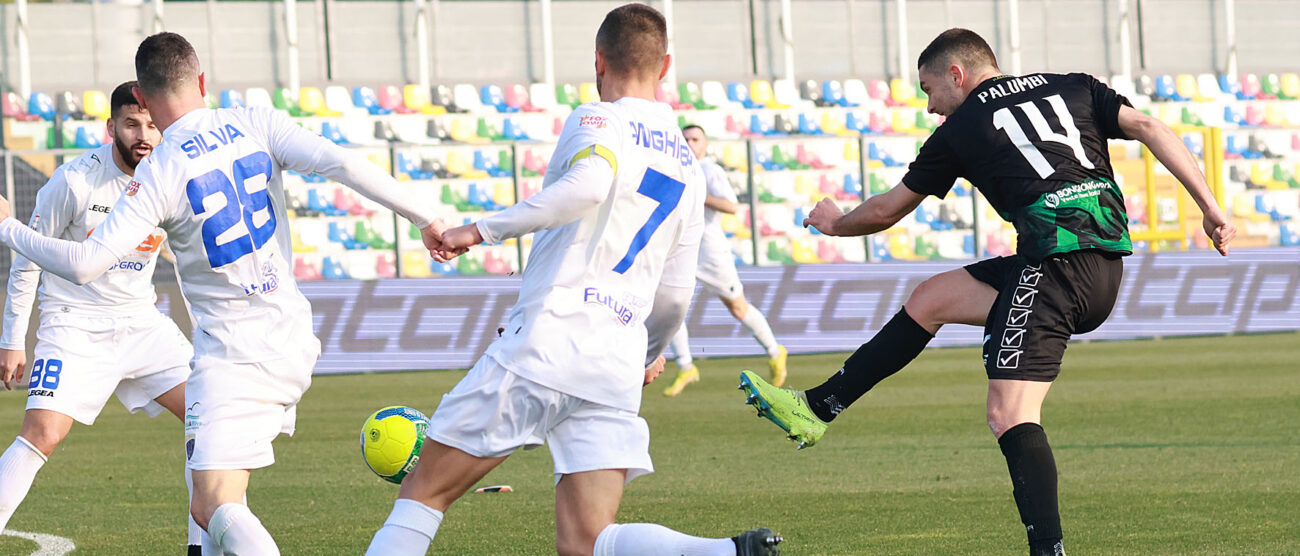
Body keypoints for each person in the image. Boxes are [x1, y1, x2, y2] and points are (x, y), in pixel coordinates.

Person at [737, 28, 1235, 556]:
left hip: (1057, 264)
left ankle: (1049, 550)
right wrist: (1209, 205)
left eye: (929, 90)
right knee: (933, 298)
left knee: (1010, 415)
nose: (930, 108)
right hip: (1098, 263)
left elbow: (887, 210)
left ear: (957, 75)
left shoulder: (963, 127)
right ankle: (818, 407)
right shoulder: (1076, 85)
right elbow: (1150, 125)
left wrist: (835, 223)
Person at [0, 32, 446, 555]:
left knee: (213, 504)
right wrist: (427, 217)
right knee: (210, 487)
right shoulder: (256, 120)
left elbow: (83, 263)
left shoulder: (159, 173)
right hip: (288, 336)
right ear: (203, 81)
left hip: (229, 351)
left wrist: (8, 226)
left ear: (143, 98)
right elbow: (344, 165)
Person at [364, 5, 782, 556]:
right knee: (586, 539)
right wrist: (645, 354)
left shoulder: (599, 117)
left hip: (550, 339)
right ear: (666, 67)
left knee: (423, 493)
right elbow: (676, 296)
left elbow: (587, 187)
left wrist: (476, 231)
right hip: (614, 361)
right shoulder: (687, 163)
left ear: (598, 61)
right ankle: (727, 552)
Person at [0, 81, 204, 554]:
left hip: (141, 321)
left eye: (152, 124)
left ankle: (201, 547)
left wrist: (210, 331)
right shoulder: (73, 181)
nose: (143, 134)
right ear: (110, 126)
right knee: (42, 435)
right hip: (74, 324)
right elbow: (27, 258)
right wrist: (12, 339)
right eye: (132, 124)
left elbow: (188, 260)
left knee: (208, 419)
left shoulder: (168, 176)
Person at [661, 124, 787, 397]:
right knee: (670, 305)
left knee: (738, 309)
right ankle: (686, 366)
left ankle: (776, 352)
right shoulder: (674, 169)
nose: (690, 143)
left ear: (705, 145)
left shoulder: (709, 170)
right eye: (685, 139)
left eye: (696, 139)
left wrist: (698, 194)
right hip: (681, 249)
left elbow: (731, 205)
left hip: (710, 252)